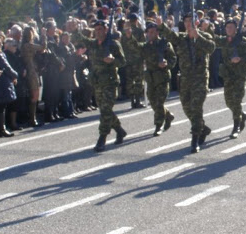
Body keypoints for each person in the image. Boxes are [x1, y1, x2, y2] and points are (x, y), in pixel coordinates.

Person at [156, 12, 216, 153]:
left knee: (196, 107)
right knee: (186, 107)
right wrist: (161, 25)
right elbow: (171, 36)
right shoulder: (182, 38)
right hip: (185, 79)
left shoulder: (204, 36)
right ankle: (203, 128)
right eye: (186, 21)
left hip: (200, 78)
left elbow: (211, 47)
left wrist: (197, 36)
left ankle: (195, 139)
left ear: (197, 22)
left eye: (191, 20)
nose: (188, 23)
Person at [67, 19, 127, 152]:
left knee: (105, 110)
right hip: (97, 82)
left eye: (101, 29)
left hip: (110, 82)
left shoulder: (113, 44)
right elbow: (80, 38)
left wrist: (112, 61)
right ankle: (119, 130)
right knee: (105, 110)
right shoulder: (93, 44)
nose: (98, 31)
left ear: (106, 30)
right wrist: (75, 29)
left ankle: (102, 138)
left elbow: (122, 62)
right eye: (97, 29)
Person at [124, 21, 177, 136]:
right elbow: (135, 46)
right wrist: (129, 36)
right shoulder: (146, 46)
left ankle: (158, 125)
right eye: (149, 32)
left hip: (162, 78)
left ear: (157, 32)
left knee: (159, 102)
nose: (150, 34)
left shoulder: (164, 44)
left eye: (153, 32)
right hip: (150, 78)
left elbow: (173, 59)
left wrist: (166, 64)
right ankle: (167, 115)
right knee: (153, 102)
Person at [212, 15, 246, 139]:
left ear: (236, 29)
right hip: (228, 74)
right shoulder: (224, 40)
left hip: (240, 74)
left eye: (231, 27)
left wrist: (240, 59)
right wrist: (206, 27)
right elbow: (212, 38)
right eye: (227, 27)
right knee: (228, 101)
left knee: (236, 100)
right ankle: (241, 115)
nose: (229, 29)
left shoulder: (243, 41)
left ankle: (237, 125)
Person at [0, 34, 19, 138]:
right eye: (0, 41)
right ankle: (2, 128)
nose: (1, 43)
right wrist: (15, 75)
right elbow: (7, 67)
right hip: (2, 82)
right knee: (1, 107)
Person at [20, 25, 47, 127]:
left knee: (35, 94)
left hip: (32, 69)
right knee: (34, 95)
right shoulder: (27, 45)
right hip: (31, 71)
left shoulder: (25, 45)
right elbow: (43, 47)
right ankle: (32, 118)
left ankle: (33, 117)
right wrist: (44, 36)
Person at [120, 13, 146, 109]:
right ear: (136, 20)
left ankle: (132, 101)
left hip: (127, 59)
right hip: (137, 59)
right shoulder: (139, 31)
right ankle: (138, 101)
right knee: (138, 80)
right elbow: (142, 45)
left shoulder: (123, 33)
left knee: (130, 80)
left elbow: (121, 45)